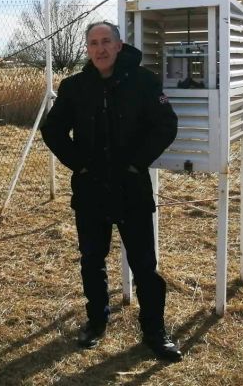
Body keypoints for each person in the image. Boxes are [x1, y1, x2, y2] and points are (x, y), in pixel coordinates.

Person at [40, 21, 182, 362]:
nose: (100, 49)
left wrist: (136, 163)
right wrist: (80, 164)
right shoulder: (74, 87)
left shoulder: (143, 81)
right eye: (93, 43)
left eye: (106, 41)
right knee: (92, 259)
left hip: (131, 187)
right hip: (90, 189)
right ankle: (96, 321)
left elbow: (166, 125)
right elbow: (52, 130)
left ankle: (154, 331)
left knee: (144, 265)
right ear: (87, 49)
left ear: (119, 46)